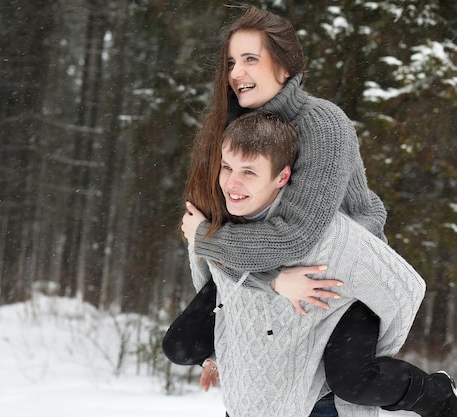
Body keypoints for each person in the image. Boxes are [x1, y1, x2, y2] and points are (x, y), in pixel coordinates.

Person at [180, 4, 456, 416]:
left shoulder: (322, 123)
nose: (236, 72)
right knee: (185, 343)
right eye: (232, 62)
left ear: (286, 66)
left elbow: (294, 236)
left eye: (251, 59)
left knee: (348, 379)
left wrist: (205, 238)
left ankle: (435, 395)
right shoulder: (237, 131)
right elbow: (219, 230)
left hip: (341, 278)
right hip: (265, 274)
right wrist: (263, 280)